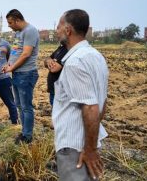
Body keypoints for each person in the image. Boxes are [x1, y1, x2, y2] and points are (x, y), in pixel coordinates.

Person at [52, 9, 108, 180]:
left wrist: (89, 150)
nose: (56, 30)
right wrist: (92, 144)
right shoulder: (96, 56)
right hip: (86, 143)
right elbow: (103, 102)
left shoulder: (75, 63)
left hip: (74, 147)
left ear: (68, 30)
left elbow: (91, 106)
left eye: (59, 26)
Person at [2, 9, 39, 144]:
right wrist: (9, 65)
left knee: (26, 106)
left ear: (17, 20)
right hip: (17, 73)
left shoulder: (30, 31)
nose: (9, 25)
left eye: (10, 22)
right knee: (19, 105)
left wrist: (12, 67)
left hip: (26, 73)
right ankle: (24, 131)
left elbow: (26, 54)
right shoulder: (19, 33)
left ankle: (27, 136)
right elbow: (17, 52)